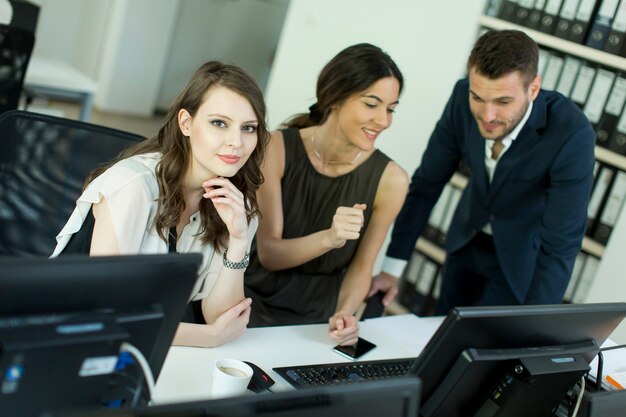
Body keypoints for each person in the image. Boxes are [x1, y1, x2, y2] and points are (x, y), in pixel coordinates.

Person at [374, 29, 595, 315]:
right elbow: (426, 185)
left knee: (493, 350)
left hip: (521, 261)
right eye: (478, 97)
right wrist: (392, 268)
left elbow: (561, 245)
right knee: (444, 334)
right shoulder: (460, 99)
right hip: (465, 241)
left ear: (534, 88)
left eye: (503, 102)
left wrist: (534, 329)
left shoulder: (571, 134)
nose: (487, 115)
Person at [51, 61, 270, 347]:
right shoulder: (133, 186)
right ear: (186, 123)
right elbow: (106, 313)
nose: (236, 142)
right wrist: (206, 337)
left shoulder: (237, 205)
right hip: (63, 337)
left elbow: (220, 317)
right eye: (219, 123)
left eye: (248, 128)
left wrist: (239, 240)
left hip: (139, 347)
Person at [244, 43, 409, 346]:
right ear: (336, 97)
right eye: (372, 104)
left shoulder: (392, 180)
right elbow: (269, 254)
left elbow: (362, 268)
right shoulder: (276, 149)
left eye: (390, 109)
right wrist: (330, 238)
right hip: (251, 302)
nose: (383, 121)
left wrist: (346, 313)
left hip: (319, 316)